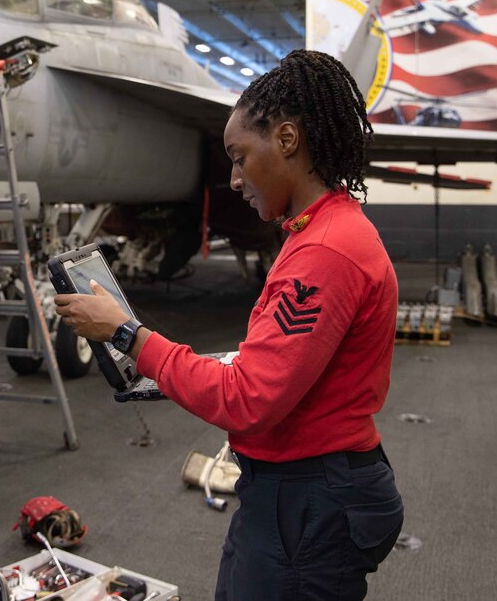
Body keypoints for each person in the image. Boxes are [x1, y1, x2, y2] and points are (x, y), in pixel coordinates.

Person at [54, 50, 403, 600]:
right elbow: (276, 369)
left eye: (240, 158)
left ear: (287, 140)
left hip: (308, 502)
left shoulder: (327, 252)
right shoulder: (318, 233)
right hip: (296, 492)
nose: (235, 179)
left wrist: (128, 335)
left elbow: (249, 400)